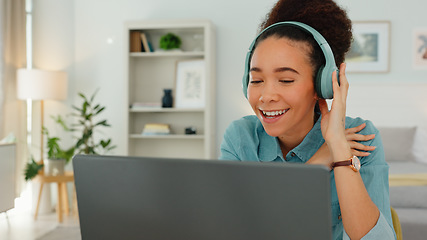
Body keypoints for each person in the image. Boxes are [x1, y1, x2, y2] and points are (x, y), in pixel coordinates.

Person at [219, 0, 396, 239]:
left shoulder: (360, 136)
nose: (266, 96)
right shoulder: (241, 139)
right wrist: (316, 165)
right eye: (257, 80)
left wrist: (338, 148)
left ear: (321, 85)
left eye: (286, 80)